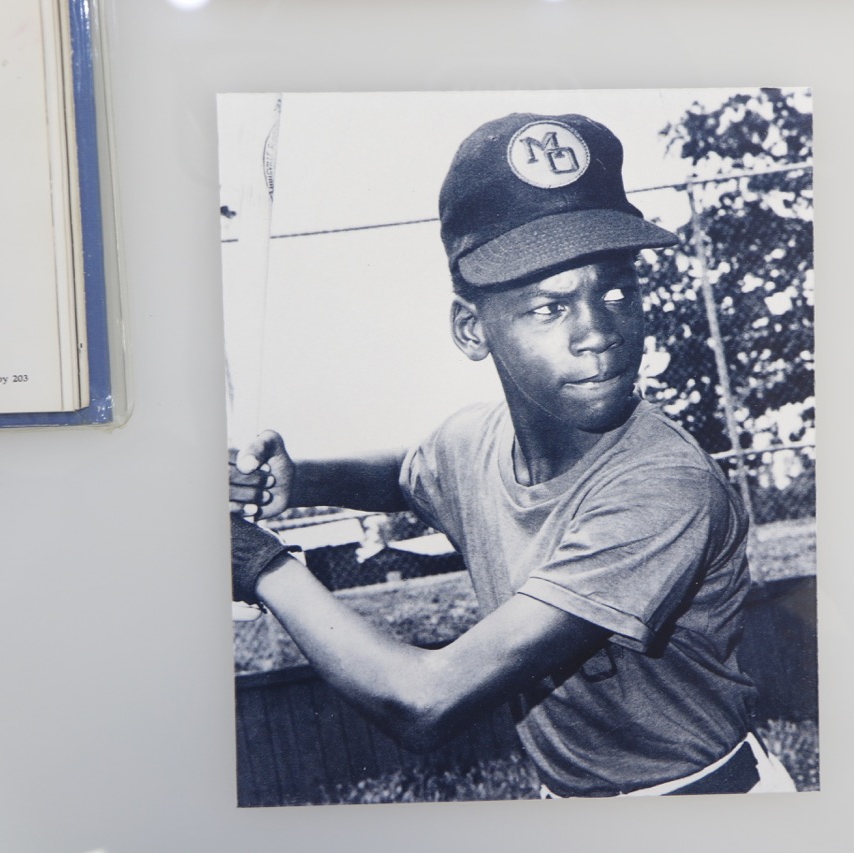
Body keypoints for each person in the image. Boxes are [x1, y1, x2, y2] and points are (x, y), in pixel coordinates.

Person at [228, 112, 797, 798]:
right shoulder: (474, 441)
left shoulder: (664, 486)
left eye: (616, 288)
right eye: (549, 307)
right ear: (473, 329)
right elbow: (412, 472)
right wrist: (304, 476)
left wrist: (261, 565)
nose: (597, 331)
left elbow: (424, 701)